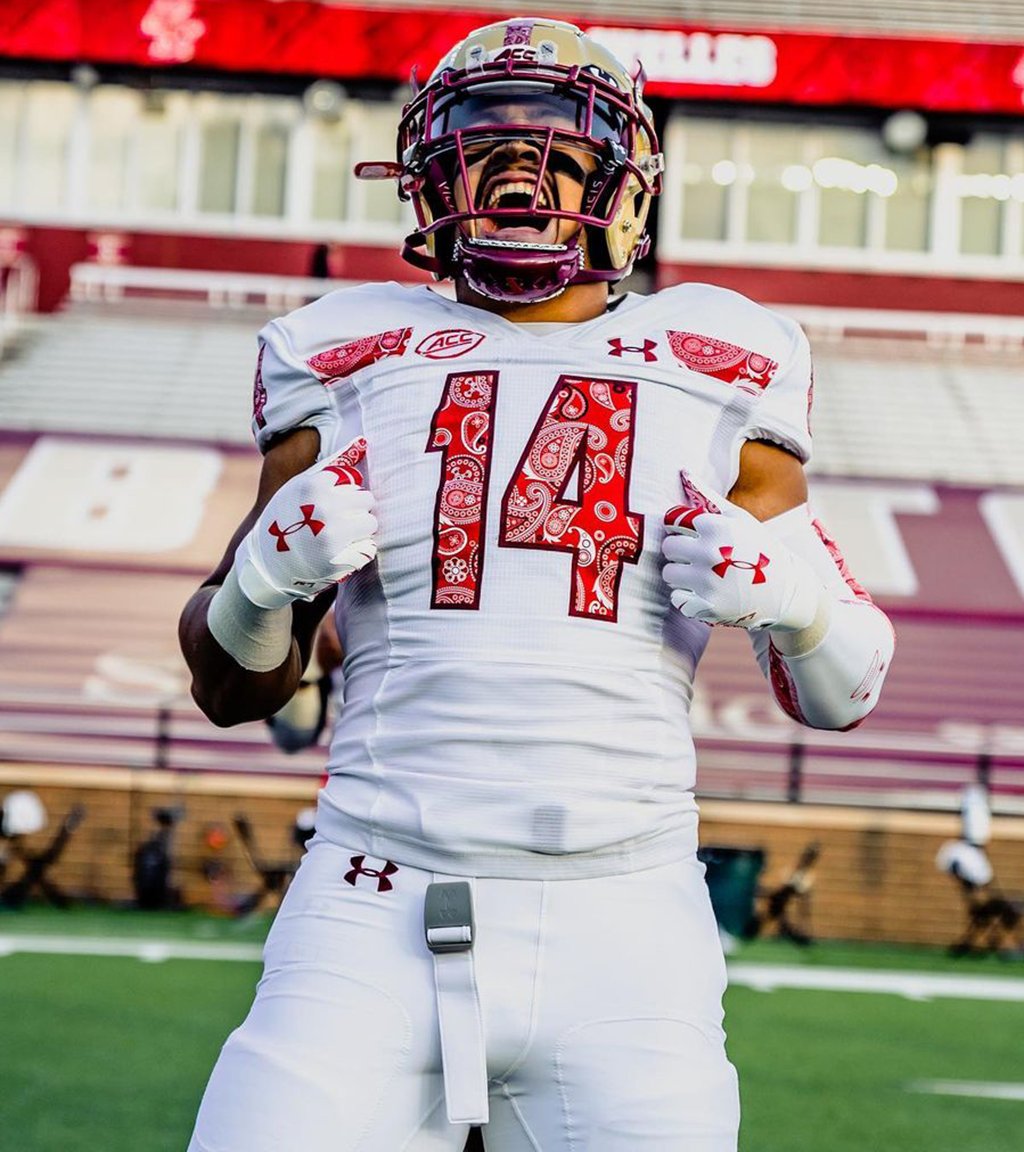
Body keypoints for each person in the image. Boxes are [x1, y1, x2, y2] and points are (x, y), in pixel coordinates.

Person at [178, 18, 895, 1151]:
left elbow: (842, 694)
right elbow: (228, 689)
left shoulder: (719, 357)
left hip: (627, 918)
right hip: (371, 899)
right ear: (424, 178)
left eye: (560, 148)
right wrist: (264, 579)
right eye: (485, 142)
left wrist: (798, 602)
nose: (522, 173)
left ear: (627, 185)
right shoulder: (340, 352)